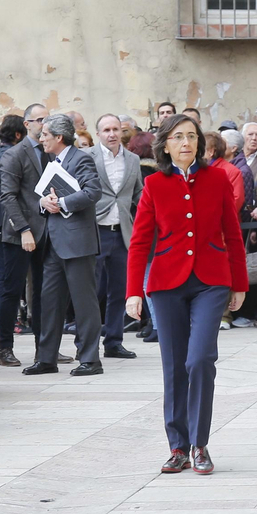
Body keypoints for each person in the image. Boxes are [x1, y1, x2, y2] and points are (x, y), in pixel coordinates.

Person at [126, 114, 248, 474]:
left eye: (192, 137)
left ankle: (200, 443)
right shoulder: (154, 185)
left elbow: (234, 234)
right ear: (165, 144)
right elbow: (139, 242)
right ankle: (177, 446)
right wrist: (134, 291)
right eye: (178, 137)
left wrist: (239, 283)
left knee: (200, 361)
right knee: (174, 367)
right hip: (166, 284)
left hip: (211, 281)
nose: (186, 143)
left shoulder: (217, 178)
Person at [22, 115, 104, 375]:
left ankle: (90, 359)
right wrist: (43, 204)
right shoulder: (53, 161)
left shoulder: (81, 159)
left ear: (59, 137)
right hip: (53, 243)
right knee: (49, 302)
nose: (41, 137)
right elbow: (46, 197)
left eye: (45, 134)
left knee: (84, 303)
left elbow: (93, 192)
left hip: (78, 242)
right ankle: (46, 359)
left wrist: (62, 204)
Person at [0, 103, 49, 366]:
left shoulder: (51, 152)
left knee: (43, 292)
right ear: (26, 124)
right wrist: (24, 229)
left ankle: (44, 347)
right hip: (18, 233)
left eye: (47, 120)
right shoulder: (14, 154)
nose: (44, 125)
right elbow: (8, 196)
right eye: (40, 120)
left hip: (47, 232)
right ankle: (5, 347)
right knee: (10, 290)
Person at [92, 112, 142, 360]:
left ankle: (114, 341)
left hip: (122, 233)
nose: (112, 134)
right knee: (92, 291)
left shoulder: (132, 160)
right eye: (106, 130)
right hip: (95, 231)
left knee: (119, 291)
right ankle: (87, 342)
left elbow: (139, 194)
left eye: (116, 129)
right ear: (98, 134)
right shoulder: (87, 157)